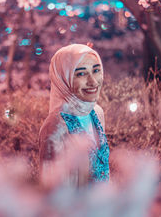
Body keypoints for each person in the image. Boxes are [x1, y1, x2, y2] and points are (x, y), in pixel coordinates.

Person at [39, 44, 109, 189]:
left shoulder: (96, 113)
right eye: (81, 74)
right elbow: (53, 193)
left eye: (96, 71)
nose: (93, 82)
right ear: (63, 78)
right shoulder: (55, 127)